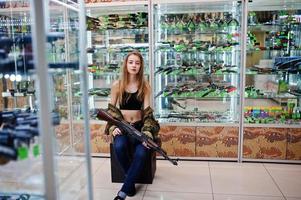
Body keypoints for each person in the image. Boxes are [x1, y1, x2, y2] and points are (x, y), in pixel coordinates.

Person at [104, 51, 160, 200]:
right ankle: (129, 184)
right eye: (131, 62)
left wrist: (147, 133)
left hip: (140, 127)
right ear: (126, 64)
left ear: (141, 66)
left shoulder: (145, 86)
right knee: (119, 146)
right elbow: (111, 111)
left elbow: (148, 113)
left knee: (142, 153)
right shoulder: (117, 85)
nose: (134, 65)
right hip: (122, 127)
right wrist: (112, 127)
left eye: (137, 63)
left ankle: (125, 188)